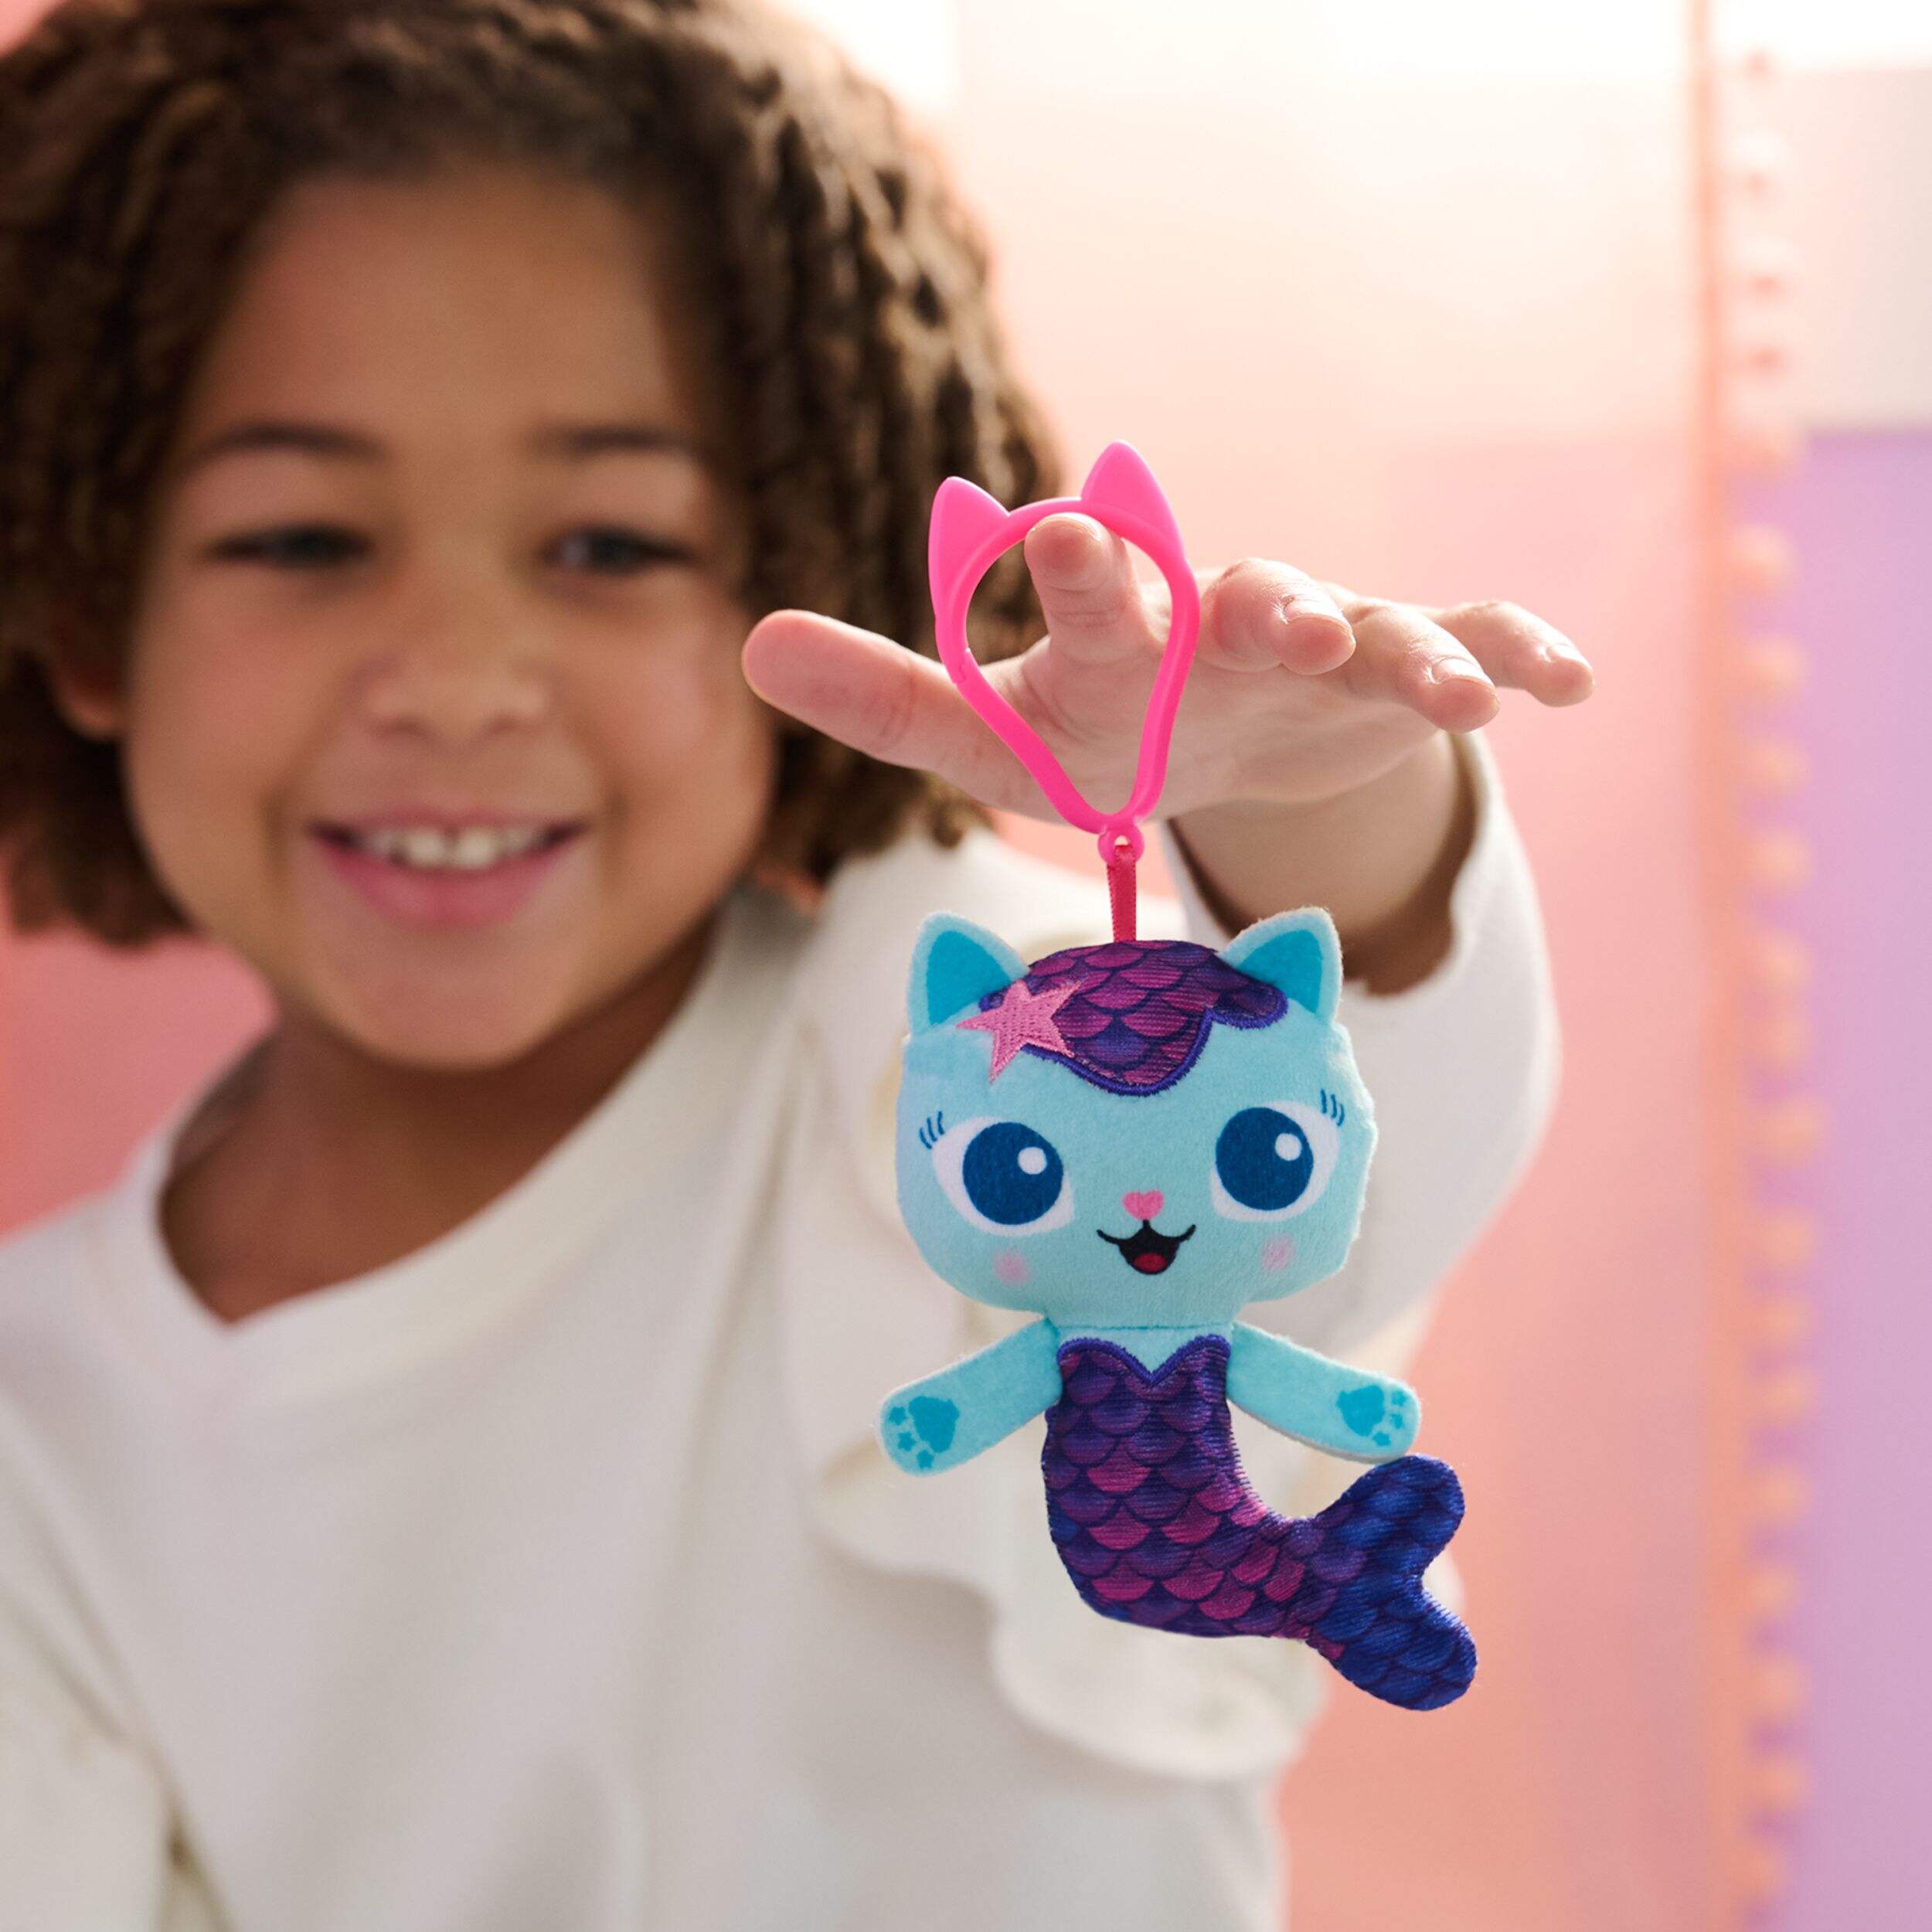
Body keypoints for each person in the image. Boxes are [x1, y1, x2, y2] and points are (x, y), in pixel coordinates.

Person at [0, 2, 1590, 1927]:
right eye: (305, 538)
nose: (458, 681)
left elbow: (1362, 1172)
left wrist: (1306, 799)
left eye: (605, 544)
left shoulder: (955, 1061)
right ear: (82, 604)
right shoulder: (43, 1443)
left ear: (811, 556)